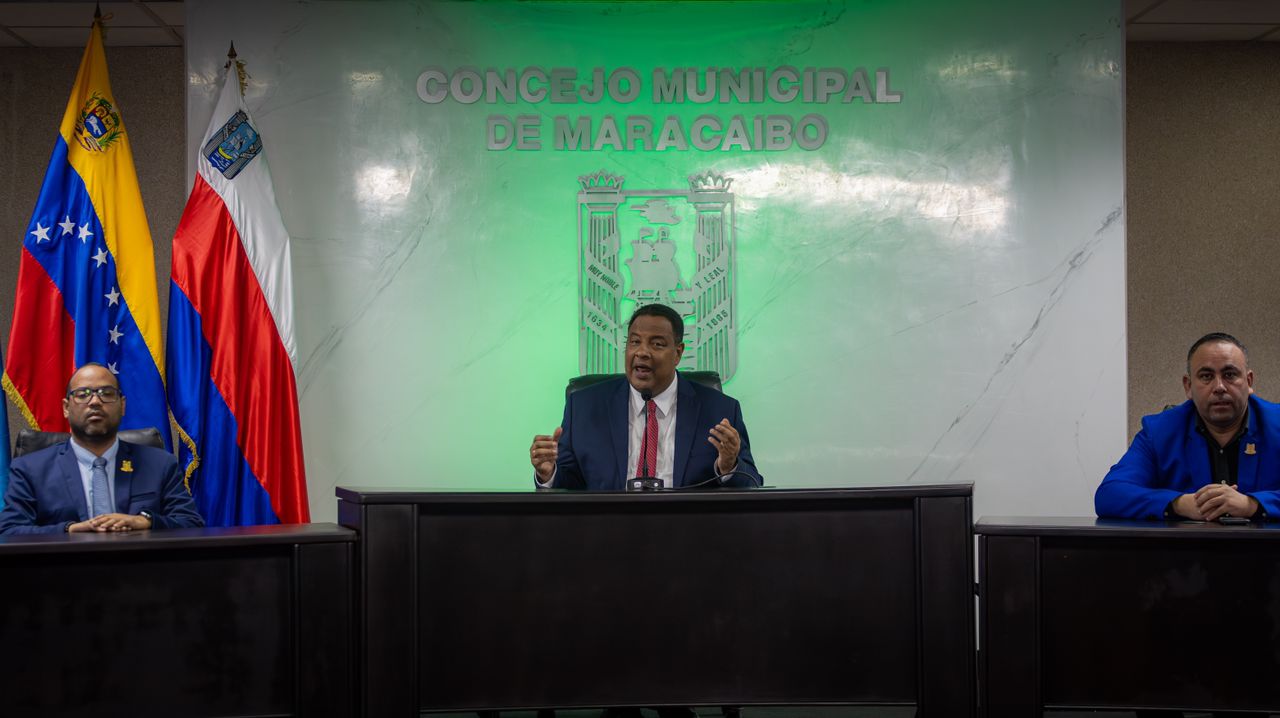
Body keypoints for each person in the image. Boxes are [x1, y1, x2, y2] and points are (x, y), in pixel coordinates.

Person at [530, 303, 761, 491]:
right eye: (634, 342)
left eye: (657, 344)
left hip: (688, 530)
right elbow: (569, 486)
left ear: (678, 353)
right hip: (607, 530)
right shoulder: (583, 407)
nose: (642, 352)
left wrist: (728, 465)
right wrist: (549, 473)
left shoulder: (720, 410)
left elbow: (752, 484)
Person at [0, 363, 204, 535]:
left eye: (106, 393)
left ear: (122, 405)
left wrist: (145, 521)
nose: (95, 402)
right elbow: (9, 530)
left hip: (139, 568)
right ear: (66, 408)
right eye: (83, 394)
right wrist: (70, 529)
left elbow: (191, 523)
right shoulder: (30, 469)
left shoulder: (160, 464)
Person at [1096, 332, 1280, 522]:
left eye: (1230, 375)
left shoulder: (1276, 424)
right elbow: (1109, 495)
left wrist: (1252, 505)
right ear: (1188, 386)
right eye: (1206, 376)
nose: (1219, 386)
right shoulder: (1159, 432)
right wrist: (1179, 504)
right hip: (1190, 542)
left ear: (1249, 382)